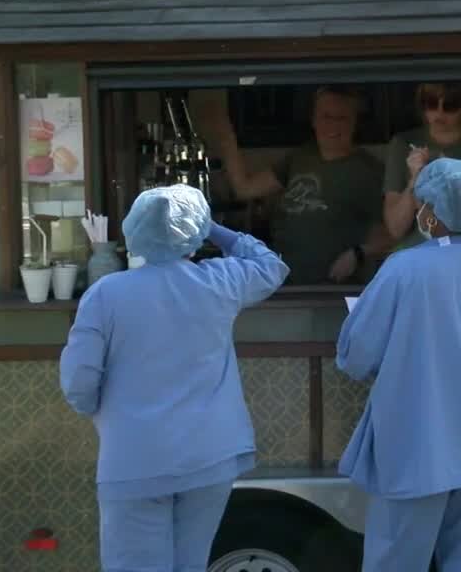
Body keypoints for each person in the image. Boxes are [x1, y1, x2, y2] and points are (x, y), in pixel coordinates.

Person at [58, 184, 289, 572]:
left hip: (134, 459)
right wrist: (213, 228)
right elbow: (272, 266)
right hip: (210, 457)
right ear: (194, 235)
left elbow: (79, 381)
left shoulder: (105, 294)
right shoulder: (219, 282)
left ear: (136, 232)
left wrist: (105, 416)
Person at [336, 157, 461, 572]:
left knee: (396, 559)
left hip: (417, 441)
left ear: (432, 213)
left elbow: (357, 356)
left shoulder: (402, 268)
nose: (421, 214)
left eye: (424, 206)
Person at [206, 85, 393, 285]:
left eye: (342, 118)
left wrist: (357, 254)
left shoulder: (368, 171)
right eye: (326, 117)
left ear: (354, 123)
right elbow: (245, 189)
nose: (333, 126)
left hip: (331, 290)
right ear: (313, 120)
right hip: (284, 284)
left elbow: (393, 233)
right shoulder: (301, 157)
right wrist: (226, 137)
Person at [383, 81, 461, 250]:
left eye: (450, 104)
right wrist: (415, 179)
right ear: (421, 105)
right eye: (431, 103)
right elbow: (395, 229)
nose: (440, 112)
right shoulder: (404, 144)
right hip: (418, 253)